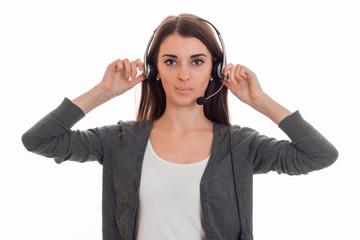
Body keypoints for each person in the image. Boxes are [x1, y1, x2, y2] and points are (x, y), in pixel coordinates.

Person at [22, 13, 338, 240]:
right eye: (171, 61)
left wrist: (260, 101)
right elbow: (39, 140)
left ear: (215, 69)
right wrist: (102, 92)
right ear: (154, 69)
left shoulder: (240, 146)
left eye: (197, 61)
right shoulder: (120, 140)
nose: (184, 75)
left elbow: (319, 155)